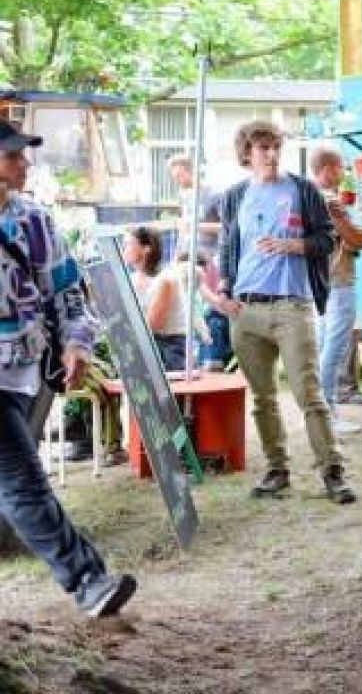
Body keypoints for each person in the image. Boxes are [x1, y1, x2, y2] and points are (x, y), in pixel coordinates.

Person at [0, 119, 136, 616]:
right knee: (21, 480)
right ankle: (88, 583)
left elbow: (67, 291)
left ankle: (91, 582)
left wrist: (76, 345)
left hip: (25, 375)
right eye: (13, 154)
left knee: (17, 481)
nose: (25, 162)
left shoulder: (34, 222)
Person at [210, 121, 356, 504]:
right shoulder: (234, 196)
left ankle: (333, 471)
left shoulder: (302, 189)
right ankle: (277, 470)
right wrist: (224, 290)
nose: (272, 154)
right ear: (247, 154)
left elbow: (327, 239)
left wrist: (294, 246)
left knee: (309, 393)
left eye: (276, 146)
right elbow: (227, 249)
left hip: (293, 304)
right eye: (263, 148)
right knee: (262, 397)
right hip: (246, 307)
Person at [308, 148, 362, 434]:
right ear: (328, 169)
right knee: (333, 348)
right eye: (341, 167)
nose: (344, 173)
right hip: (338, 280)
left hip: (320, 283)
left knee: (324, 347)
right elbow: (359, 241)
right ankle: (327, 413)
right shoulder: (330, 203)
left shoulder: (306, 198)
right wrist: (347, 223)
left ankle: (320, 411)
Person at [166, 154, 232, 372]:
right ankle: (196, 356)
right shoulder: (184, 195)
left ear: (191, 170)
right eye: (174, 177)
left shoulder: (213, 194)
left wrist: (197, 226)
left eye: (180, 175)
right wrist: (176, 255)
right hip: (186, 259)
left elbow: (227, 227)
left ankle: (212, 355)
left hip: (208, 259)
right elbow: (183, 230)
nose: (178, 180)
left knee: (207, 307)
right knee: (187, 307)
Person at [122, 226, 193, 370]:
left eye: (129, 244)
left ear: (147, 249)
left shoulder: (167, 279)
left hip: (170, 347)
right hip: (148, 343)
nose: (125, 250)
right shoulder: (131, 279)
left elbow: (153, 324)